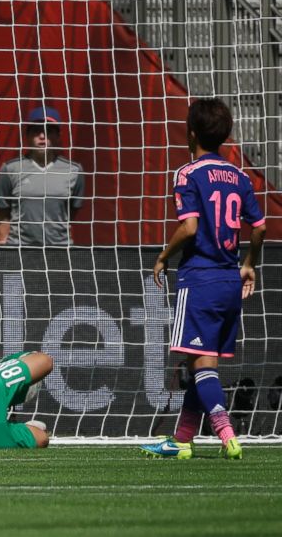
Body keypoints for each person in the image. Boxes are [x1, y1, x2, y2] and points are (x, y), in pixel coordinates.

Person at [141, 98, 266, 460]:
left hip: (200, 280)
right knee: (200, 361)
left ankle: (227, 434)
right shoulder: (240, 177)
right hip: (229, 280)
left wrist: (163, 257)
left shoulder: (187, 173)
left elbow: (190, 226)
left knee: (200, 363)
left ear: (190, 133)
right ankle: (181, 441)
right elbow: (258, 228)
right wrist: (249, 264)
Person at [0, 106, 84, 246]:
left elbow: (71, 213)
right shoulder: (10, 169)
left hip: (59, 251)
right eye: (37, 130)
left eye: (48, 131)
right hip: (19, 249)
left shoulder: (74, 171)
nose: (42, 136)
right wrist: (3, 251)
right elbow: (2, 214)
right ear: (27, 136)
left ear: (58, 136)